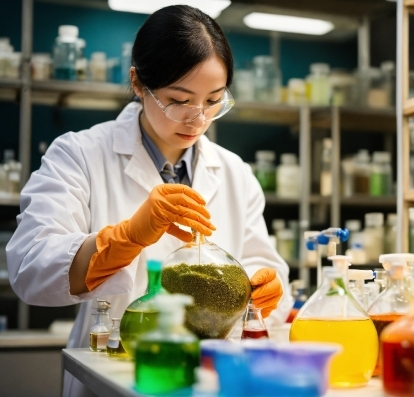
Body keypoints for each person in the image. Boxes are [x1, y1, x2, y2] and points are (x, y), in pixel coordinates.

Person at [6, 5, 292, 397]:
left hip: (212, 379)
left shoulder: (234, 171)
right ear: (139, 83)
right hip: (115, 376)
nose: (197, 119)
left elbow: (263, 264)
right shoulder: (80, 154)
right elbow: (29, 266)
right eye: (179, 99)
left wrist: (264, 286)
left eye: (213, 100)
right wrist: (125, 238)